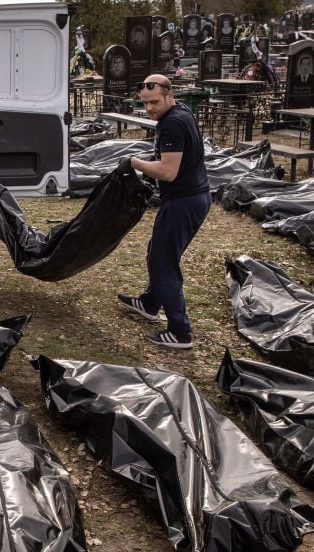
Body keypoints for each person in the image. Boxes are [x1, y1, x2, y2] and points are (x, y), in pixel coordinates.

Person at [117, 75, 210, 349]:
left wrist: (133, 162)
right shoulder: (181, 112)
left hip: (184, 201)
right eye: (144, 104)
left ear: (170, 95)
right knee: (157, 251)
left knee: (163, 262)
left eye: (154, 102)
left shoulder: (172, 124)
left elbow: (168, 172)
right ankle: (149, 302)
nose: (149, 109)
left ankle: (180, 332)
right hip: (194, 198)